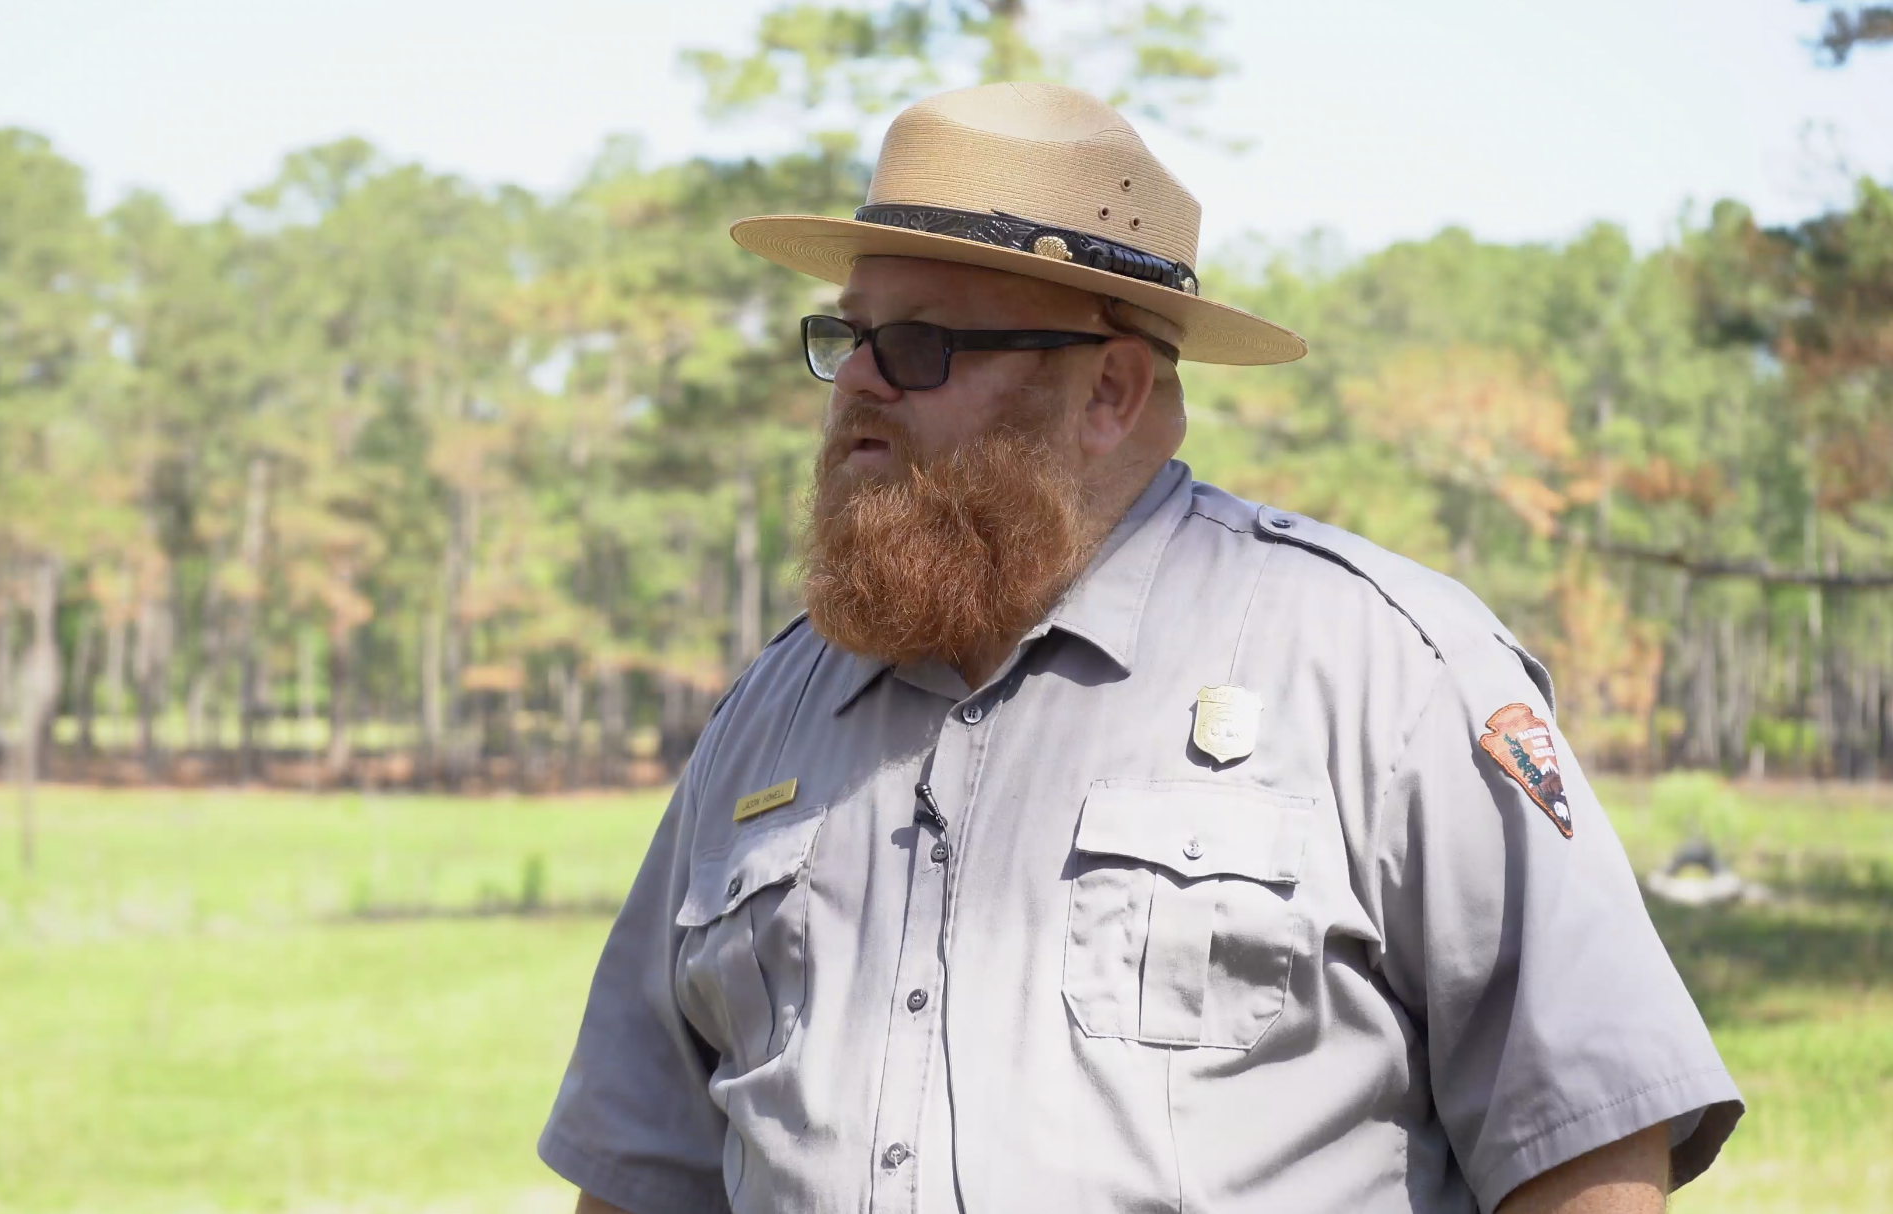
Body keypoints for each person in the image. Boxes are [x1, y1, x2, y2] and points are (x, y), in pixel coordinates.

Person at [538, 81, 1742, 1214]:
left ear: (1109, 388)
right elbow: (643, 1168)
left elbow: (1586, 1140)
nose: (855, 382)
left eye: (916, 345)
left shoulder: (1385, 669)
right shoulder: (767, 717)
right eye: (846, 336)